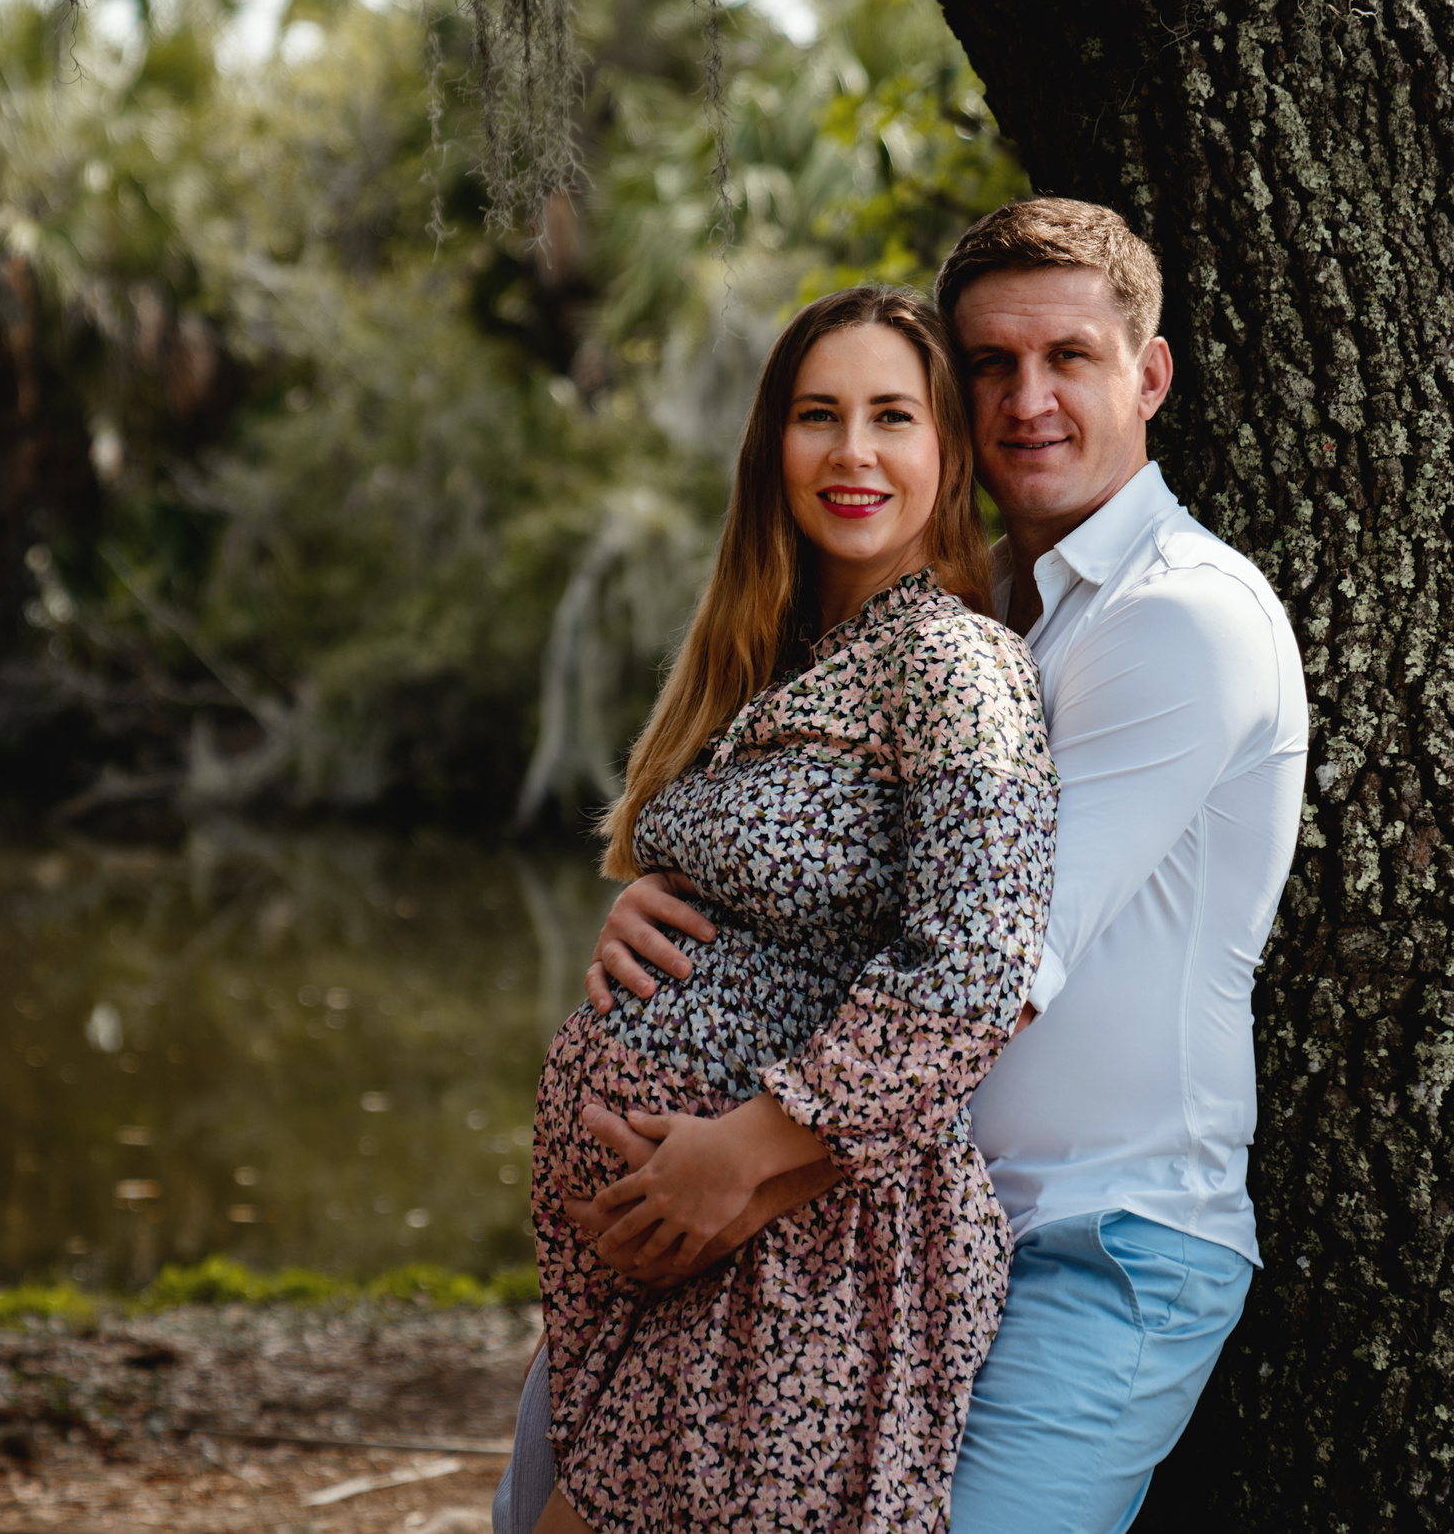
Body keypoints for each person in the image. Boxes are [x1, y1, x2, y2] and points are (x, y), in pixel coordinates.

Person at [503, 200, 1309, 1534]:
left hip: (1089, 1239)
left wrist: (738, 1166)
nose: (1027, 399)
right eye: (991, 363)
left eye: (1070, 359)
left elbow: (995, 969)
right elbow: (858, 897)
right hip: (858, 1213)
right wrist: (677, 913)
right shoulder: (978, 605)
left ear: (1149, 377)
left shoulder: (1181, 622)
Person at [519, 285, 1062, 1534]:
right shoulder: (788, 657)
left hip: (814, 1245)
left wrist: (749, 1151)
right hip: (704, 1246)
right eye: (819, 415)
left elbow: (974, 972)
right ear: (773, 445)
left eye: (892, 416)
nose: (853, 452)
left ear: (949, 452)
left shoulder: (954, 661)